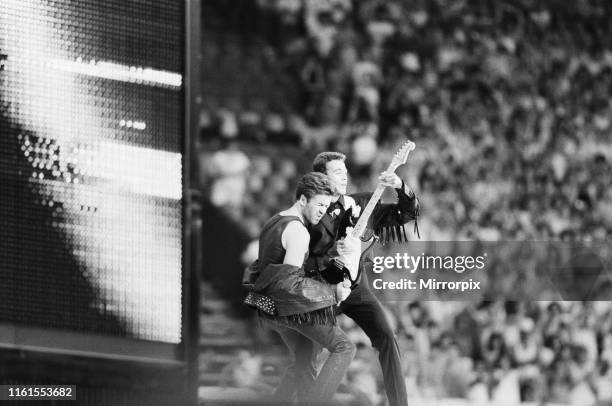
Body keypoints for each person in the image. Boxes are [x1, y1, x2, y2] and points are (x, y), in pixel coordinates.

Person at [306, 151, 420, 406]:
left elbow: (409, 213)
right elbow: (305, 260)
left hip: (357, 287)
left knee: (388, 337)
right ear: (321, 178)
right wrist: (333, 256)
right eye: (337, 173)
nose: (344, 177)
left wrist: (400, 186)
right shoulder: (313, 213)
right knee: (308, 352)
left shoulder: (365, 203)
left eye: (345, 173)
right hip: (324, 289)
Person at [244, 172, 355, 404]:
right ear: (303, 200)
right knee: (344, 347)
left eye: (326, 206)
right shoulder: (298, 231)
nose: (322, 211)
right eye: (320, 205)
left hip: (265, 305)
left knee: (304, 361)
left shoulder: (274, 221)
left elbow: (271, 269)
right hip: (281, 306)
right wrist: (333, 293)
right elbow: (289, 285)